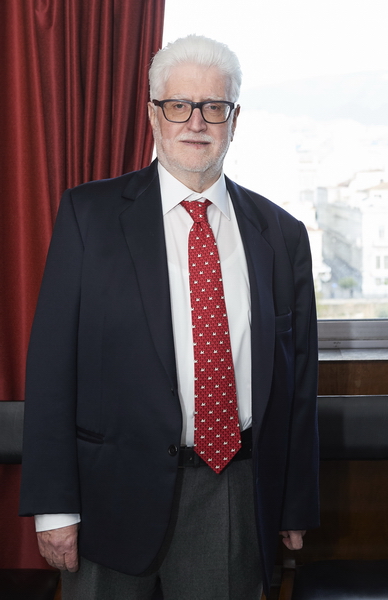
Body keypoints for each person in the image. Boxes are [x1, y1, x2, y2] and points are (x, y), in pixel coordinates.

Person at [20, 35, 319, 600]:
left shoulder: (282, 235)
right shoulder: (88, 215)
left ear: (235, 120)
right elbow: (52, 367)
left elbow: (299, 383)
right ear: (153, 114)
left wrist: (294, 504)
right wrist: (53, 507)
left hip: (232, 493)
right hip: (108, 498)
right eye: (179, 105)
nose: (196, 122)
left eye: (214, 107)